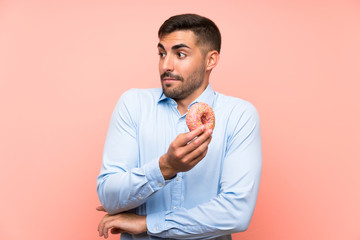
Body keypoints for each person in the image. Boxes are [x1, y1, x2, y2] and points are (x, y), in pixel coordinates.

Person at [96, 13, 262, 240]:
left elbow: (236, 213)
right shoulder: (133, 105)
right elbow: (109, 196)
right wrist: (165, 167)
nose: (166, 65)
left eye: (180, 54)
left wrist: (147, 223)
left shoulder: (239, 115)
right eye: (162, 53)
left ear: (210, 60)